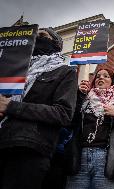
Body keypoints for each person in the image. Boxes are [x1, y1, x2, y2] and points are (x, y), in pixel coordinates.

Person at [0, 28, 78, 189]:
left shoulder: (65, 72)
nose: (37, 37)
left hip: (29, 148)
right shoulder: (14, 71)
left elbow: (63, 114)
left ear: (56, 44)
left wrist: (11, 106)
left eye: (43, 35)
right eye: (35, 35)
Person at [65, 68, 114, 189]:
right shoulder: (84, 99)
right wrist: (78, 97)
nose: (101, 77)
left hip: (107, 160)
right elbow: (69, 122)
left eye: (106, 76)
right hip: (80, 159)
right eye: (98, 76)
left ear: (112, 82)